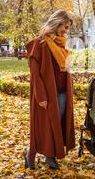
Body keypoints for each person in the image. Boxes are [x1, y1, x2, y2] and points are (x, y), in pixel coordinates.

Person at [24, 10, 76, 170]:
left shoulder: (60, 45)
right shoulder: (39, 44)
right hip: (46, 94)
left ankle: (50, 155)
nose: (66, 31)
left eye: (68, 28)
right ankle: (31, 153)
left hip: (61, 92)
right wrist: (41, 96)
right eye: (65, 27)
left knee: (57, 124)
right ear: (57, 23)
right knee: (44, 125)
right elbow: (35, 74)